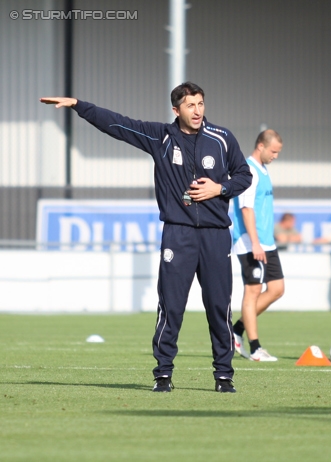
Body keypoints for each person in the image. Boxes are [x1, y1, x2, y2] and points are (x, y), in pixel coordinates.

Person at [40, 82, 252, 393]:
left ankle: (224, 376)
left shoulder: (222, 138)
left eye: (201, 104)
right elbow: (117, 124)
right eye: (191, 105)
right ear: (176, 109)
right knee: (171, 307)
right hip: (177, 235)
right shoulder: (161, 137)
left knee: (219, 306)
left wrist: (219, 189)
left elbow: (244, 175)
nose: (197, 111)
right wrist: (77, 105)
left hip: (216, 236)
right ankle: (163, 375)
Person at [231, 130, 285, 362]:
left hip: (266, 242)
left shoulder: (263, 170)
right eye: (273, 151)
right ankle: (255, 349)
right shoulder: (249, 170)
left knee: (276, 289)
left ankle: (235, 330)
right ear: (260, 146)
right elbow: (246, 208)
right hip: (250, 242)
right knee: (252, 291)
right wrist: (254, 243)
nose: (275, 156)